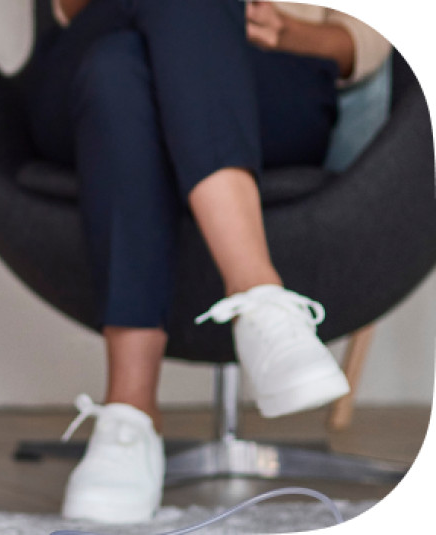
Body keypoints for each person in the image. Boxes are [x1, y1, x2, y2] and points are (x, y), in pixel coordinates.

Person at [23, 0, 392, 524]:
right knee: (116, 61)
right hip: (86, 59)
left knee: (121, 71)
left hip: (265, 78)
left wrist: (290, 31)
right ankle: (258, 298)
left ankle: (129, 414)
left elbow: (372, 34)